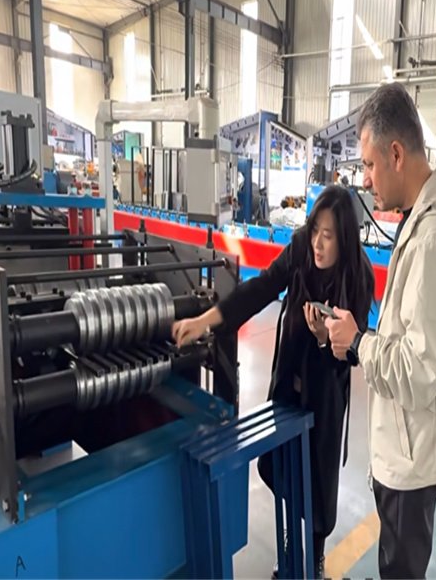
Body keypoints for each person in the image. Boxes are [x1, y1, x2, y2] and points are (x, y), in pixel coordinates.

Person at [325, 82, 436, 579]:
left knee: (401, 569)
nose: (365, 178)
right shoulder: (425, 218)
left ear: (396, 154)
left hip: (411, 455)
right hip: (411, 442)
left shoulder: (433, 239)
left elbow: (421, 372)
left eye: (369, 164)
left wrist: (358, 343)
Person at [171, 185, 375, 578]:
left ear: (345, 239)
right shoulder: (301, 249)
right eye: (315, 231)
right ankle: (288, 546)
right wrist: (205, 321)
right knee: (282, 468)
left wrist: (325, 338)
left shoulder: (358, 276)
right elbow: (261, 287)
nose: (317, 244)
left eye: (328, 236)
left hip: (325, 395)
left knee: (318, 485)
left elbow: (354, 352)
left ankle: (314, 558)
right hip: (288, 384)